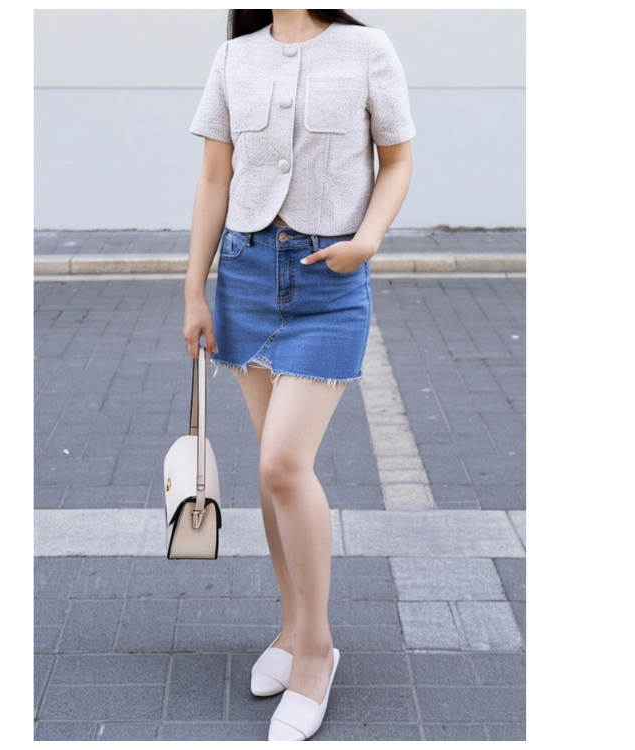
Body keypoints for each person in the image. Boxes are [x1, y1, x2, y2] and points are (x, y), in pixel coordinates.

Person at [183, 9, 415, 741]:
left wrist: (367, 240)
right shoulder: (235, 58)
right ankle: (291, 630)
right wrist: (193, 289)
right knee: (273, 468)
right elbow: (215, 176)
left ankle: (316, 651)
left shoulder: (368, 49)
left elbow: (398, 159)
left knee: (283, 464)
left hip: (329, 284)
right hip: (246, 277)